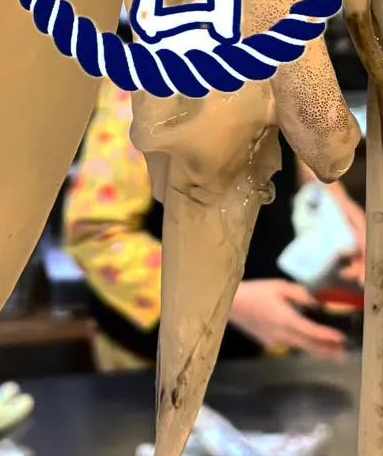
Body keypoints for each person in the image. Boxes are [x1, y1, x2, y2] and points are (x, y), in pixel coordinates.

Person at [64, 77, 366, 370]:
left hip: (263, 344)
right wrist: (227, 302)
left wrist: (336, 204)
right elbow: (96, 235)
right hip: (162, 362)